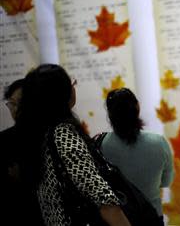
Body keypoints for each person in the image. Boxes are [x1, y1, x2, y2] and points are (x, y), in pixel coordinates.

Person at [15, 64, 131, 226]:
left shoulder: (35, 133)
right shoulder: (63, 134)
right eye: (71, 83)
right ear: (61, 94)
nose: (74, 87)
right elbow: (102, 198)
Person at [100, 88, 174, 223]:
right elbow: (166, 181)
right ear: (137, 107)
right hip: (152, 217)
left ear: (110, 115)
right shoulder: (159, 142)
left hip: (119, 220)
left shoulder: (101, 145)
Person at [1, 78, 45, 225]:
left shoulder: (51, 136)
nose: (15, 109)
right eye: (11, 103)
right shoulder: (4, 140)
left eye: (20, 103)